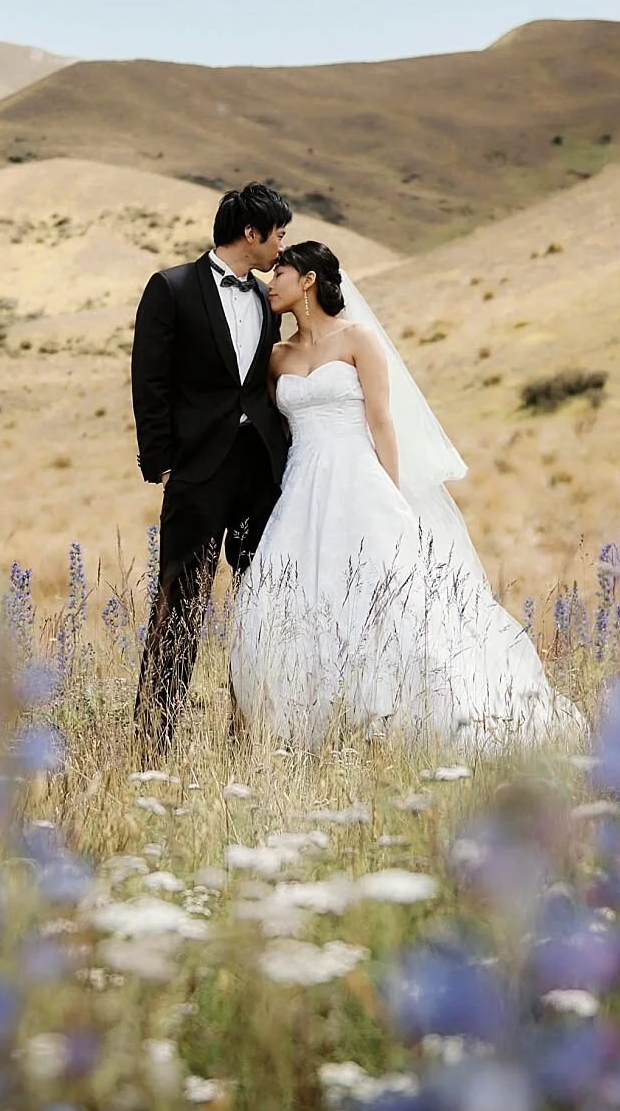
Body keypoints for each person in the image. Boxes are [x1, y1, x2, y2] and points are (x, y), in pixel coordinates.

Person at [228, 241, 587, 751]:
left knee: (390, 600)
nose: (271, 281)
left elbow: (381, 421)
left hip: (361, 483)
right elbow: (274, 430)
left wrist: (391, 497)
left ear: (307, 279)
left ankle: (399, 716)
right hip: (302, 491)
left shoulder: (358, 339)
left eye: (280, 271)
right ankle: (308, 723)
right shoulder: (278, 357)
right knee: (285, 599)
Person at [128, 182, 293, 755]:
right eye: (278, 233)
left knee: (262, 607)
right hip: (197, 474)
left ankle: (248, 735)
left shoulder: (270, 297)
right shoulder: (170, 288)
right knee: (179, 609)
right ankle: (154, 743)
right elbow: (148, 382)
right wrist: (163, 465)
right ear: (252, 233)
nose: (282, 244)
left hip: (261, 478)